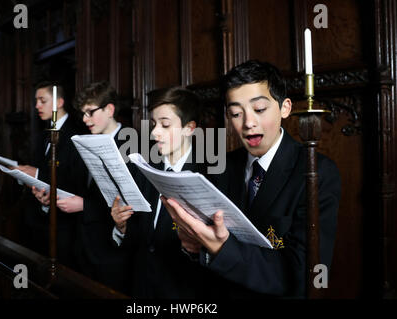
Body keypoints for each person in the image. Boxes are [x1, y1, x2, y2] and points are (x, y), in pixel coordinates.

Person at [161, 60, 341, 298]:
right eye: (236, 113)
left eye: (259, 109)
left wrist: (221, 248)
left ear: (285, 108)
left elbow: (302, 275)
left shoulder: (316, 172)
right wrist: (195, 246)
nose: (248, 123)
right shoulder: (221, 167)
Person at [111, 86, 214, 298]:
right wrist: (121, 226)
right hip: (141, 286)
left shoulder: (210, 177)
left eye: (165, 125)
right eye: (154, 124)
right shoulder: (143, 168)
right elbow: (140, 236)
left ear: (189, 128)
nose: (155, 132)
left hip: (184, 292)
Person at [52, 81, 132, 294]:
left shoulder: (132, 145)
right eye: (83, 114)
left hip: (113, 253)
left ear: (110, 109)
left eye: (90, 112)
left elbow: (132, 204)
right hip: (82, 247)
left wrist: (85, 205)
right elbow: (76, 185)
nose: (85, 119)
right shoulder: (85, 142)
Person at [18, 81, 88, 270]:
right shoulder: (42, 135)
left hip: (66, 226)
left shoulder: (76, 134)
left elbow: (77, 180)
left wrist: (38, 173)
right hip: (40, 218)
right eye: (36, 101)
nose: (37, 106)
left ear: (59, 103)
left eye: (42, 100)